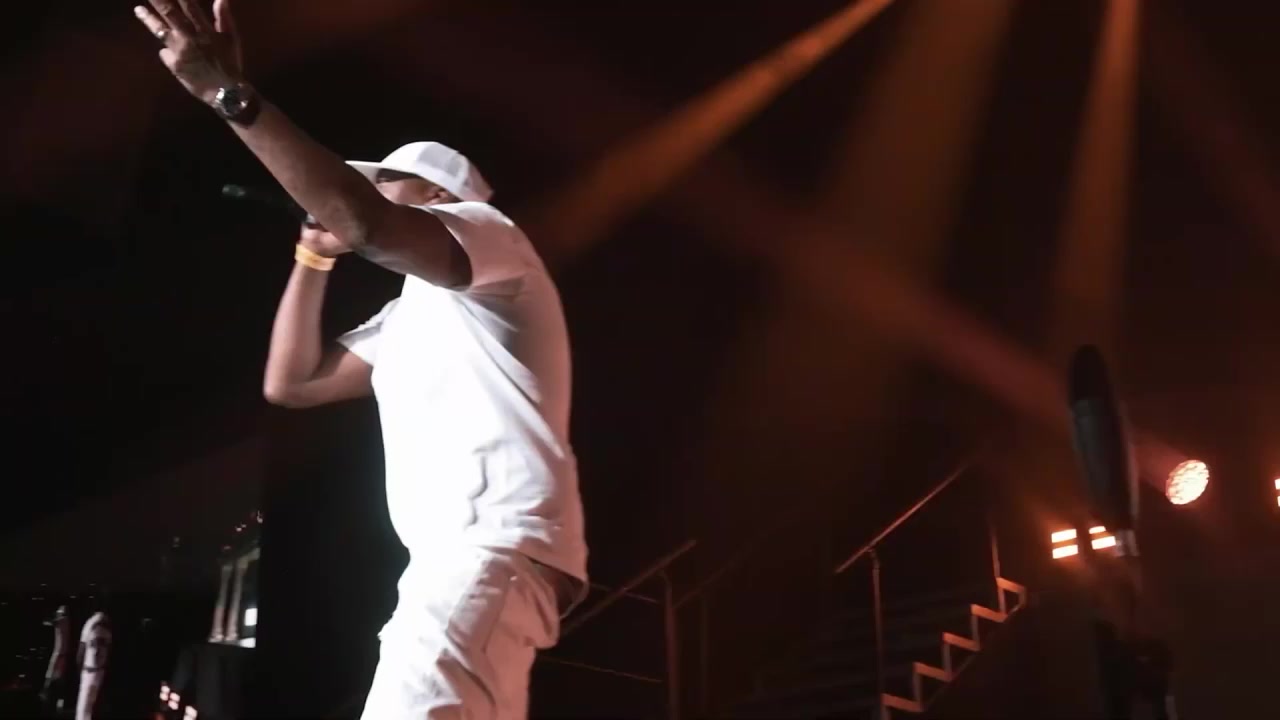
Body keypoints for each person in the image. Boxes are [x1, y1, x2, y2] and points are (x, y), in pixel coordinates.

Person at [131, 1, 588, 717]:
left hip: (487, 548)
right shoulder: (408, 316)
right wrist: (313, 255)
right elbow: (291, 382)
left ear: (437, 194)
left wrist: (228, 95)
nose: (369, 190)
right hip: (469, 559)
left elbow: (363, 220)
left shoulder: (489, 237)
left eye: (386, 180)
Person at [75, 609, 112, 720]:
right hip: (99, 670)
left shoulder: (89, 624)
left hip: (90, 670)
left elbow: (81, 650)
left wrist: (80, 669)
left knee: (84, 707)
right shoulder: (107, 626)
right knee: (91, 706)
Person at [40, 605, 71, 715]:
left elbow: (49, 622)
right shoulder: (65, 621)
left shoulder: (63, 620)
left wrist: (46, 619)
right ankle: (59, 702)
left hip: (58, 654)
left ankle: (45, 694)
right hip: (62, 655)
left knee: (50, 675)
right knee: (59, 679)